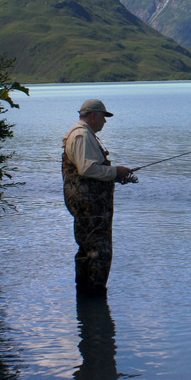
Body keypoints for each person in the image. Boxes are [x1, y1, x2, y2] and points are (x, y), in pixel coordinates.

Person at [62, 99, 133, 294]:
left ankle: (86, 303)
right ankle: (94, 297)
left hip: (88, 206)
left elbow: (88, 171)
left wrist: (115, 176)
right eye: (104, 117)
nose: (105, 122)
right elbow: (86, 169)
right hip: (89, 207)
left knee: (88, 251)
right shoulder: (82, 136)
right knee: (98, 253)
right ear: (93, 115)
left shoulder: (81, 134)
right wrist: (115, 171)